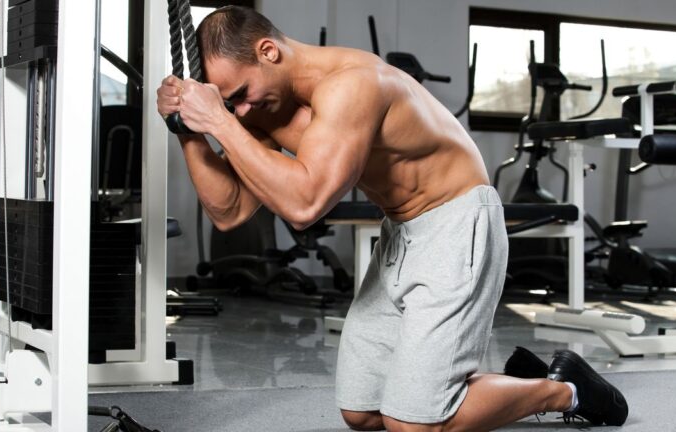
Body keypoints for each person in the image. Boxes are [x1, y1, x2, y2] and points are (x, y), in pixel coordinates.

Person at [156, 6, 628, 431]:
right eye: (230, 103)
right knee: (362, 411)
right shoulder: (264, 107)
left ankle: (564, 389)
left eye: (240, 95)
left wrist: (219, 121)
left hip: (457, 225)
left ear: (268, 51)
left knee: (412, 425)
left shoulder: (352, 84)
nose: (240, 110)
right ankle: (499, 386)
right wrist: (187, 129)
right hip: (400, 235)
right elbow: (230, 211)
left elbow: (305, 206)